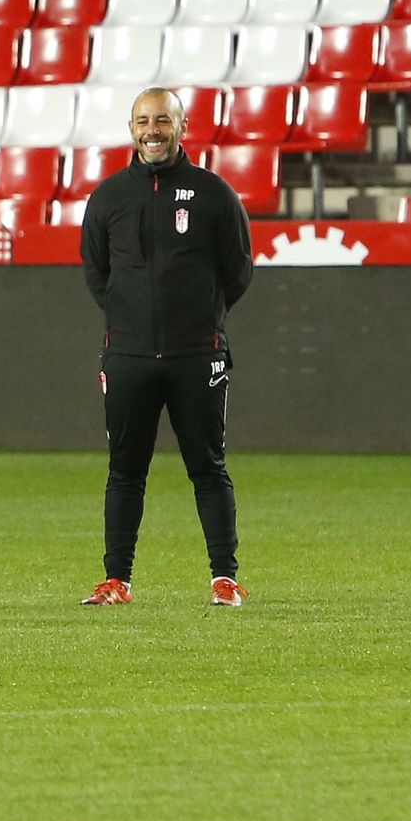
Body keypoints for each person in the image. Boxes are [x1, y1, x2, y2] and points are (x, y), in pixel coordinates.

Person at [78, 87, 254, 607]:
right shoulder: (108, 197)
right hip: (129, 355)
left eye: (162, 120)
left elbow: (237, 270)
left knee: (208, 467)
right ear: (131, 128)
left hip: (197, 354)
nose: (151, 130)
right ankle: (116, 581)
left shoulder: (213, 193)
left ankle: (225, 578)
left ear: (183, 126)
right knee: (125, 470)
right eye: (142, 121)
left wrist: (201, 320)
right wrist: (128, 322)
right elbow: (96, 272)